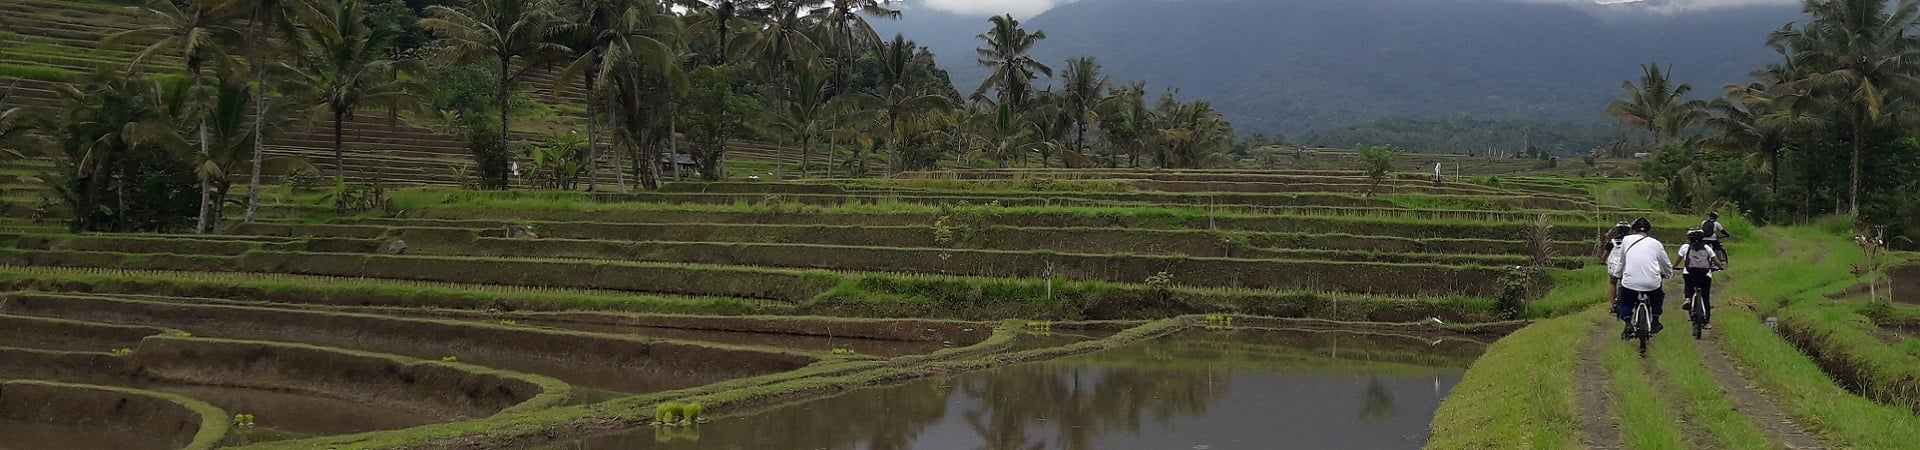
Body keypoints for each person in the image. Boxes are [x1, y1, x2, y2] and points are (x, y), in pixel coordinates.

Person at [1609, 217, 1673, 338]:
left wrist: (1617, 275)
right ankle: (1655, 320)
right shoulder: (1656, 243)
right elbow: (1666, 264)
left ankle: (1628, 322)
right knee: (1657, 295)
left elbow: (1622, 262)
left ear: (1633, 230)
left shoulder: (1627, 240)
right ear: (1648, 231)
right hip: (1652, 282)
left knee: (1624, 297)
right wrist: (1669, 274)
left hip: (1630, 282)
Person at [1677, 229, 1720, 330]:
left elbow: (1677, 261)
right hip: (1705, 274)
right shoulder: (1707, 247)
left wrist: (1674, 267)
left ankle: (1688, 299)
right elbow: (1716, 261)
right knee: (1705, 297)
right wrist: (1721, 267)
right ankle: (1706, 322)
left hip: (1689, 273)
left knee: (1688, 286)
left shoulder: (1685, 247)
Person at [1602, 221, 1632, 304]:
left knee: (1612, 282)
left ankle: (1612, 305)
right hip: (1627, 266)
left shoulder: (1612, 242)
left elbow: (1605, 255)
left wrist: (1603, 261)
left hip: (1614, 266)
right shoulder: (1631, 242)